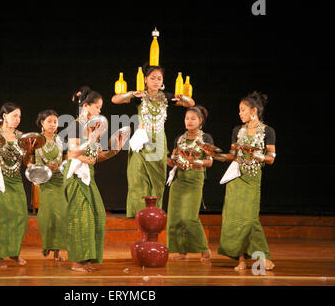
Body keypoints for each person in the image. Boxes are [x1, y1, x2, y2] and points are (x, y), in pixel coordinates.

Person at [111, 64, 195, 217]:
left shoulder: (166, 97)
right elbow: (115, 99)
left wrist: (183, 96)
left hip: (158, 142)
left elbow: (191, 104)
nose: (156, 82)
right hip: (142, 142)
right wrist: (131, 93)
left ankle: (154, 216)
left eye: (159, 79)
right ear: (145, 80)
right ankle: (138, 216)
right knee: (138, 178)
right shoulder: (139, 97)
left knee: (157, 180)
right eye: (152, 78)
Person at [211, 91, 276, 271]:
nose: (240, 113)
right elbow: (232, 156)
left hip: (252, 179)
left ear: (253, 110)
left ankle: (262, 257)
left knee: (249, 220)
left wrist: (254, 154)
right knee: (234, 219)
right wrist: (215, 155)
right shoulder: (237, 130)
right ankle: (240, 259)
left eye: (243, 110)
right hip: (236, 178)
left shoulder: (267, 131)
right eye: (239, 110)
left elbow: (271, 159)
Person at [64, 86, 124, 272]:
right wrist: (87, 149)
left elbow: (97, 157)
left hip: (88, 176)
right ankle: (76, 261)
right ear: (87, 106)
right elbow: (72, 152)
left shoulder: (94, 128)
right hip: (75, 176)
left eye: (100, 108)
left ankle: (87, 259)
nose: (99, 111)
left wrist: (115, 150)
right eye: (97, 107)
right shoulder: (76, 125)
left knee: (97, 217)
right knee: (81, 218)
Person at [0, 102, 32, 269]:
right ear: (4, 116)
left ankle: (14, 252)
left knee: (21, 217)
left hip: (15, 180)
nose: (18, 119)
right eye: (14, 116)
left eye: (19, 116)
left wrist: (29, 153)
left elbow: (25, 161)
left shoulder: (22, 136)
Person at [166, 106, 213, 262]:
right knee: (175, 216)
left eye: (193, 118)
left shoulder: (206, 138)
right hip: (179, 179)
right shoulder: (179, 138)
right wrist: (161, 157)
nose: (189, 121)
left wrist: (195, 161)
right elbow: (172, 161)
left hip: (194, 179)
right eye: (187, 118)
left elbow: (209, 162)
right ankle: (181, 251)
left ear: (200, 121)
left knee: (189, 217)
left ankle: (204, 249)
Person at [26, 110, 67, 262]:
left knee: (60, 216)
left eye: (55, 122)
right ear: (42, 122)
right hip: (44, 181)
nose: (53, 124)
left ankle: (57, 252)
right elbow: (28, 160)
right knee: (47, 217)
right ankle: (47, 244)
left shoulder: (60, 140)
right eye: (49, 121)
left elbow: (65, 158)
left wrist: (59, 165)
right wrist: (35, 168)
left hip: (59, 181)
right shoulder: (34, 140)